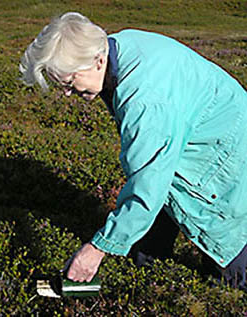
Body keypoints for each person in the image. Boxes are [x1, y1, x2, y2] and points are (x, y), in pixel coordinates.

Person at [20, 12, 247, 290]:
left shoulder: (144, 100)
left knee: (226, 260)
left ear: (97, 60)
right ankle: (148, 276)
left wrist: (96, 250)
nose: (67, 93)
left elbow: (147, 185)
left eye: (69, 83)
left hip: (223, 152)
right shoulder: (115, 46)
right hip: (206, 126)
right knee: (148, 246)